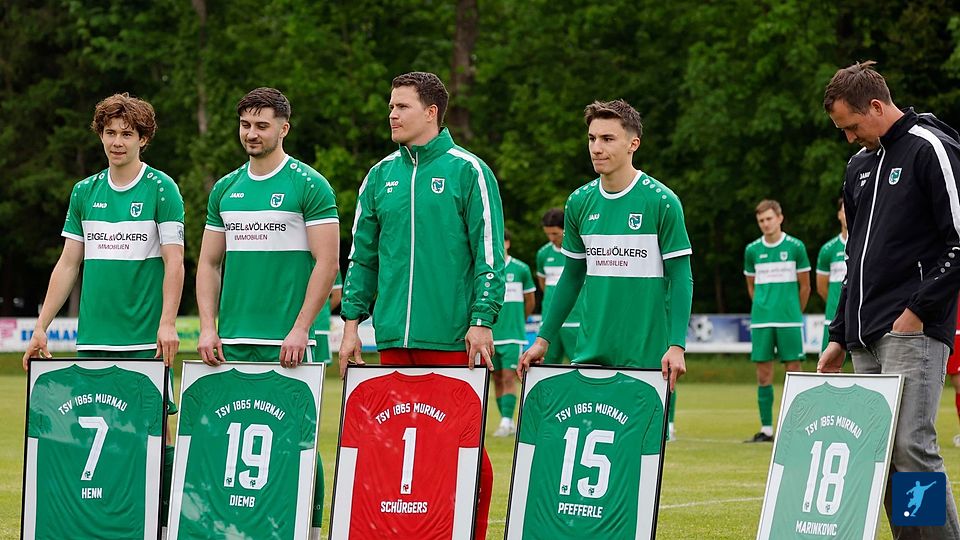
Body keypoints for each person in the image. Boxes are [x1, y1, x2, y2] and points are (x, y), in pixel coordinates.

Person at [339, 71, 505, 539]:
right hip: (392, 339)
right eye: (390, 106)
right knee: (396, 451)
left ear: (431, 112)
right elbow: (362, 257)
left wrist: (481, 319)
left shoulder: (468, 171)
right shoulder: (379, 176)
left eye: (402, 106)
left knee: (465, 454)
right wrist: (351, 324)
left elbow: (490, 254)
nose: (391, 114)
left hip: (452, 338)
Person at [20, 92, 184, 521]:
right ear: (100, 135)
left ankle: (161, 520)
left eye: (127, 134)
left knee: (156, 435)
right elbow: (68, 263)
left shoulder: (161, 188)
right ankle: (105, 520)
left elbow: (175, 262)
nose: (117, 142)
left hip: (144, 343)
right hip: (93, 340)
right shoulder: (84, 192)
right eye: (110, 133)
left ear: (143, 138)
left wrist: (167, 323)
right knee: (98, 434)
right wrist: (41, 326)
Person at [819, 60, 960, 537]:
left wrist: (916, 311)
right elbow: (854, 257)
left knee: (911, 449)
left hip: (912, 329)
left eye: (852, 126)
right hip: (863, 338)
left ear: (876, 106)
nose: (849, 138)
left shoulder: (930, 148)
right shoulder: (858, 166)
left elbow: (959, 242)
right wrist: (839, 334)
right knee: (881, 456)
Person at [195, 87, 339, 534]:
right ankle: (238, 524)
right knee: (232, 433)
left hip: (289, 340)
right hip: (234, 339)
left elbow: (327, 262)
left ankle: (308, 528)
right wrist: (207, 327)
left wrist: (301, 328)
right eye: (245, 125)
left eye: (262, 125)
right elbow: (208, 263)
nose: (252, 133)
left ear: (284, 128)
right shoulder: (226, 189)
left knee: (297, 438)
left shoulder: (309, 185)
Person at [519, 99, 692, 394]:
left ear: (633, 144)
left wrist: (677, 345)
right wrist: (543, 339)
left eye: (608, 139)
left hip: (647, 356)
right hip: (591, 353)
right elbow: (571, 277)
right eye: (592, 138)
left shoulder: (662, 201)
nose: (596, 148)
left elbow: (681, 278)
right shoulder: (579, 202)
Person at [743, 199, 810, 443]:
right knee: (763, 374)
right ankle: (767, 429)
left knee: (794, 372)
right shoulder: (752, 250)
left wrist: (793, 311)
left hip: (789, 321)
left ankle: (797, 426)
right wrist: (764, 306)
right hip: (762, 321)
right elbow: (751, 287)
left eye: (769, 218)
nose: (765, 224)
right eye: (761, 220)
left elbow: (806, 287)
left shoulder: (796, 247)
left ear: (780, 218)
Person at [492, 229, 535, 437]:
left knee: (509, 377)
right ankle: (506, 421)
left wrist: (519, 321)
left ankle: (506, 421)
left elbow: (530, 301)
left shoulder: (521, 269)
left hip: (513, 336)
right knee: (497, 378)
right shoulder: (487, 269)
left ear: (507, 243)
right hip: (492, 336)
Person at [535, 208, 584, 364]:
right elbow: (543, 284)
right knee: (547, 366)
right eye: (548, 234)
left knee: (580, 365)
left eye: (555, 234)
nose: (551, 238)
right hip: (549, 321)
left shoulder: (580, 252)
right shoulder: (543, 254)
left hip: (576, 320)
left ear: (565, 230)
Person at [815, 198, 848, 352]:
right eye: (844, 211)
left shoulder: (870, 245)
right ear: (839, 215)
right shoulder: (827, 249)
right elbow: (822, 288)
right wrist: (836, 306)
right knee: (828, 363)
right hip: (833, 317)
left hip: (862, 317)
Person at [314, 271, 343, 365]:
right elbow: (336, 297)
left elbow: (336, 297)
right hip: (319, 322)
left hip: (318, 324)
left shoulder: (332, 265)